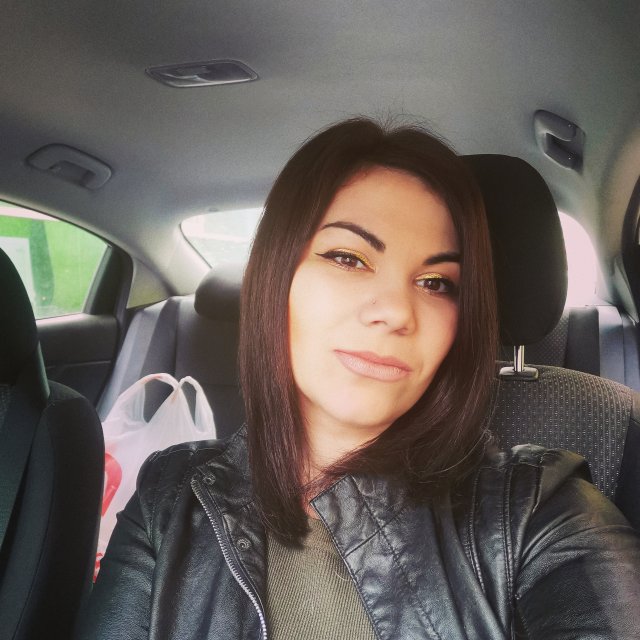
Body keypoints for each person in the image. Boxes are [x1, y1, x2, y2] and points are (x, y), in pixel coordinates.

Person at [77, 118, 640, 639]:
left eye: (437, 283)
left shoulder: (537, 508)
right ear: (277, 277)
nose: (395, 311)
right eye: (348, 258)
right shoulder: (172, 497)